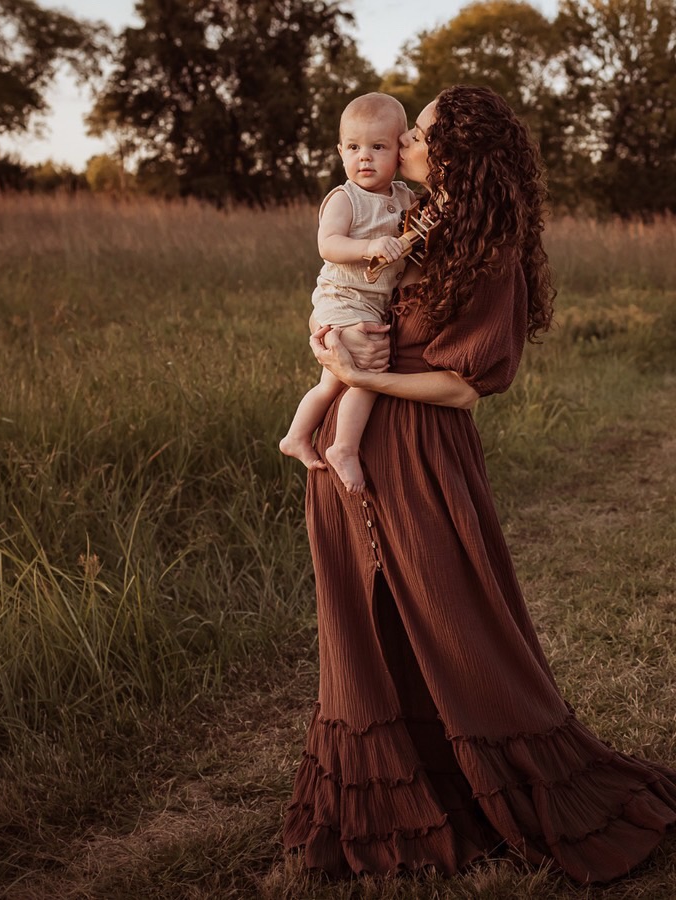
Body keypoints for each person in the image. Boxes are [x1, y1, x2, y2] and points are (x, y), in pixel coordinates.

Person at [283, 85, 676, 883]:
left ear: (456, 150)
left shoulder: (488, 250)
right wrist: (326, 336)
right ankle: (404, 803)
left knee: (460, 627)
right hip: (345, 458)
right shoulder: (407, 224)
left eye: (419, 133)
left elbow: (465, 387)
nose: (403, 144)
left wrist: (361, 375)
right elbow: (348, 291)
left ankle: (503, 786)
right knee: (368, 631)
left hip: (422, 460)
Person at [279, 92, 415, 493]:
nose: (365, 158)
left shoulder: (404, 198)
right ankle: (343, 446)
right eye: (354, 147)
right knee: (368, 373)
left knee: (332, 381)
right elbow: (329, 245)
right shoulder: (345, 198)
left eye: (378, 147)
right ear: (340, 152)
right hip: (342, 298)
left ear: (399, 151)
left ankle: (296, 436)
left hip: (370, 304)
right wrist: (368, 247)